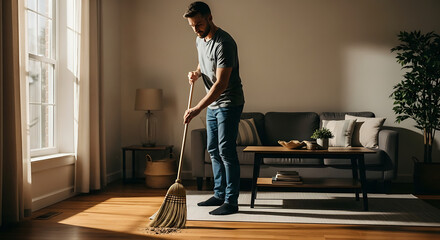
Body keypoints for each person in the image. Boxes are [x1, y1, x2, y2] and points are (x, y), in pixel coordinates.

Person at [183, 1, 245, 215]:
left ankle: (231, 201)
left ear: (210, 18)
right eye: (192, 26)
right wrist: (196, 73)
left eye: (199, 24)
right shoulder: (200, 39)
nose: (196, 29)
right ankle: (218, 194)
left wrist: (196, 109)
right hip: (213, 103)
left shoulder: (224, 43)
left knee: (226, 151)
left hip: (229, 102)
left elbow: (221, 84)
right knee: (213, 149)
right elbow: (203, 62)